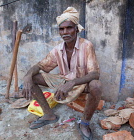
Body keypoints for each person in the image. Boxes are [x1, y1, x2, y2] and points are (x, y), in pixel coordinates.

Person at [22, 7, 102, 140]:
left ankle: (84, 123)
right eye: (61, 29)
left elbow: (95, 74)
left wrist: (72, 82)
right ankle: (48, 115)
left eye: (69, 28)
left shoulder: (87, 45)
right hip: (63, 81)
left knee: (97, 85)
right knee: (33, 77)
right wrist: (27, 77)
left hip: (82, 83)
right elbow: (40, 66)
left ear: (76, 29)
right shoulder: (57, 49)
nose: (65, 32)